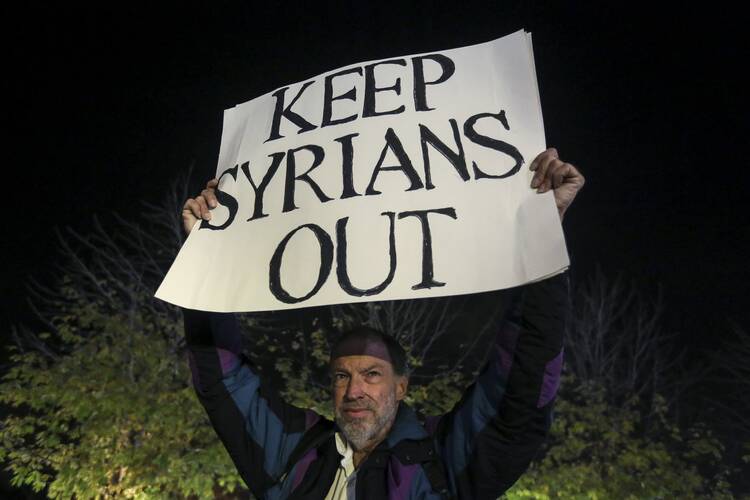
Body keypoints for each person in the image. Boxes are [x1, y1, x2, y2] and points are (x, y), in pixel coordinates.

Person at [181, 148, 584, 499]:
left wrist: (542, 235)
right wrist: (204, 254)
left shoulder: (442, 459)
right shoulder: (296, 453)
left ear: (402, 386)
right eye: (341, 376)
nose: (354, 391)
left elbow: (521, 388)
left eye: (372, 374)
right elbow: (222, 381)